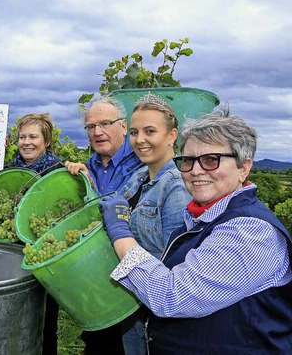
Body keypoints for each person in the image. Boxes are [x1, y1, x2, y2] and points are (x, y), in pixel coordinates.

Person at [100, 108, 292, 353]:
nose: (196, 170)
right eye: (188, 160)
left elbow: (170, 295)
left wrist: (120, 233)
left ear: (243, 167)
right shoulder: (202, 217)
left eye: (211, 159)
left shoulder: (250, 232)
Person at [0, 112, 62, 354]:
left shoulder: (59, 171)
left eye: (34, 137)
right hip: (13, 256)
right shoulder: (6, 171)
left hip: (45, 254)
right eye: (22, 136)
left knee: (45, 319)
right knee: (15, 316)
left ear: (46, 141)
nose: (27, 142)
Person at [113, 93, 192, 354]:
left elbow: (174, 264)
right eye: (134, 132)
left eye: (150, 131)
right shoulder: (139, 176)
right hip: (133, 306)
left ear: (171, 136)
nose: (139, 140)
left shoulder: (177, 186)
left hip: (154, 316)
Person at [64, 97, 143, 355]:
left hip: (131, 277)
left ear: (123, 126)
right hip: (95, 276)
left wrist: (92, 189)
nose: (97, 132)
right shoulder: (92, 165)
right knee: (97, 341)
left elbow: (120, 211)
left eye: (105, 123)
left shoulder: (142, 163)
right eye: (91, 127)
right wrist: (79, 185)